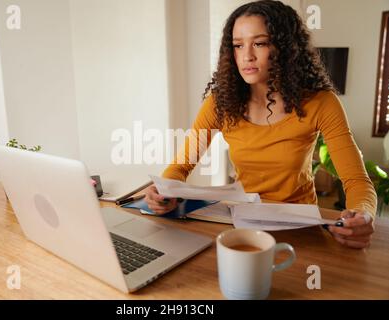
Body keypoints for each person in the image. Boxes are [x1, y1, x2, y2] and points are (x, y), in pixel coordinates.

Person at [144, 0, 376, 249]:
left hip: (300, 229)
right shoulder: (220, 103)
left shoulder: (321, 103)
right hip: (243, 225)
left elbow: (356, 180)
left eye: (259, 43)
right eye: (238, 45)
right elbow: (180, 167)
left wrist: (362, 214)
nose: (247, 56)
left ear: (285, 47)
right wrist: (162, 192)